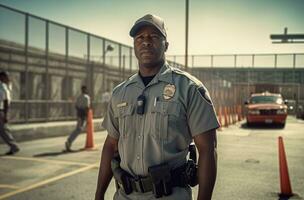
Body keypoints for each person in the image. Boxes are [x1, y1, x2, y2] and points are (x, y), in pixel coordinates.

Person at [95, 14, 220, 200]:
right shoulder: (120, 93)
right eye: (140, 38)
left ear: (166, 45)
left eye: (154, 37)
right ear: (134, 46)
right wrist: (98, 196)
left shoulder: (189, 88)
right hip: (125, 195)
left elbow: (208, 149)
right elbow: (110, 146)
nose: (146, 42)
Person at [65, 85, 90, 151]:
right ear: (85, 90)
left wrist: (79, 111)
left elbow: (76, 106)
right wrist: (87, 117)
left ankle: (69, 141)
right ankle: (69, 141)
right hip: (83, 116)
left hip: (79, 114)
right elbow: (87, 107)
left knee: (79, 128)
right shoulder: (86, 97)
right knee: (79, 129)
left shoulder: (79, 97)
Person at [0, 71, 20, 155]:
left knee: (3, 130)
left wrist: (5, 114)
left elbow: (6, 101)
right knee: (3, 130)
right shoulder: (5, 86)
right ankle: (14, 146)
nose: (8, 78)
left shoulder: (3, 87)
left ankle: (14, 146)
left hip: (0, 111)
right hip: (1, 110)